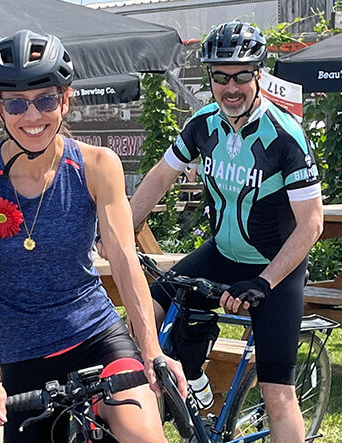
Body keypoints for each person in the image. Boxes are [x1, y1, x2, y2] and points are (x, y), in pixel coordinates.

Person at [0, 29, 186, 443]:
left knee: (142, 436)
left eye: (45, 100)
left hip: (97, 336)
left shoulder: (96, 165)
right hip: (23, 354)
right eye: (17, 104)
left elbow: (124, 260)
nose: (32, 116)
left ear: (65, 99)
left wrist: (151, 348)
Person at [128, 22, 323, 443]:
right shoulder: (203, 124)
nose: (230, 87)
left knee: (277, 391)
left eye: (241, 76)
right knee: (143, 320)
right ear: (209, 79)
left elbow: (312, 224)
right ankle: (190, 388)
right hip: (221, 252)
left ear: (259, 74)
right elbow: (161, 177)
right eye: (220, 77)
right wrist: (121, 231)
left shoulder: (285, 136)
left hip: (276, 268)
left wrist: (265, 281)